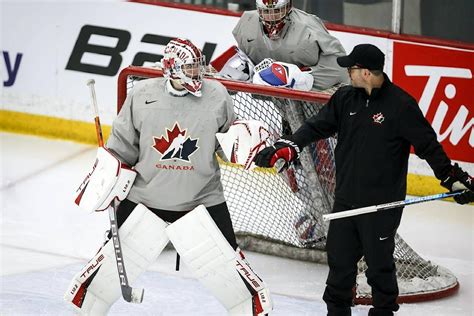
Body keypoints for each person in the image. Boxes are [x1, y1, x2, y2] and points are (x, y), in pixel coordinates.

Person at [253, 43, 474, 315]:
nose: (348, 72)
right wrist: (290, 144)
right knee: (339, 265)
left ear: (367, 73)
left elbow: (428, 146)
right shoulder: (345, 99)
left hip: (381, 206)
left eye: (352, 68)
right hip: (346, 201)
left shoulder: (401, 106)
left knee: (379, 266)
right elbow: (316, 126)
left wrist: (452, 179)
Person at [65, 38, 272, 315]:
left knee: (235, 279)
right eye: (190, 68)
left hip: (203, 199)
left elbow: (225, 145)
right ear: (172, 69)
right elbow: (122, 147)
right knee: (104, 277)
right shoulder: (142, 94)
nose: (198, 73)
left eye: (199, 67)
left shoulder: (217, 94)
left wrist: (245, 145)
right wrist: (108, 174)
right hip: (144, 198)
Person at [232, 0, 350, 91]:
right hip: (280, 95)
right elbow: (244, 56)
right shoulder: (247, 22)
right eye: (266, 11)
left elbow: (338, 63)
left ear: (288, 7)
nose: (272, 17)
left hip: (313, 94)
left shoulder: (308, 25)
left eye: (277, 10)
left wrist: (306, 80)